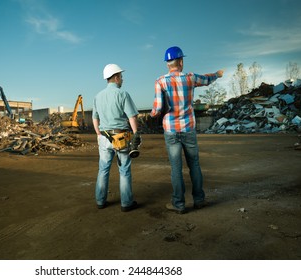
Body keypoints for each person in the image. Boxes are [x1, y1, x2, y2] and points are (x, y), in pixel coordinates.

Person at [150, 46, 224, 214]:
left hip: (171, 131)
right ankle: (199, 200)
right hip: (188, 128)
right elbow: (207, 79)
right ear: (181, 62)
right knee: (194, 165)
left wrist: (153, 113)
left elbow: (158, 108)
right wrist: (218, 74)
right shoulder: (190, 78)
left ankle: (179, 204)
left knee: (176, 168)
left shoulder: (160, 81)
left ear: (168, 64)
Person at [92, 63, 141, 212]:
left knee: (103, 169)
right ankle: (126, 203)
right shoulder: (122, 94)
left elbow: (95, 119)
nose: (122, 79)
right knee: (124, 170)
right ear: (116, 77)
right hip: (121, 138)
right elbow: (132, 116)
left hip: (104, 137)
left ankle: (100, 201)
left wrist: (98, 134)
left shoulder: (97, 96)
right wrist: (136, 133)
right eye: (121, 77)